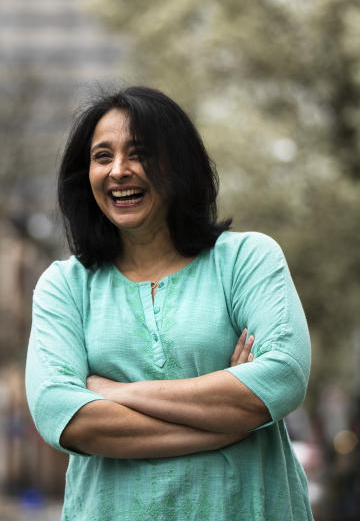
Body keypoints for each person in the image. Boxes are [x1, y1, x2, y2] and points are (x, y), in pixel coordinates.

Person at [25, 86, 313, 520]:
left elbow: (283, 376)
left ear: (177, 166)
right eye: (102, 157)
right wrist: (222, 425)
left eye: (138, 153)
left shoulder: (246, 261)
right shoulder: (65, 287)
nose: (119, 171)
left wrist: (113, 392)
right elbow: (62, 416)